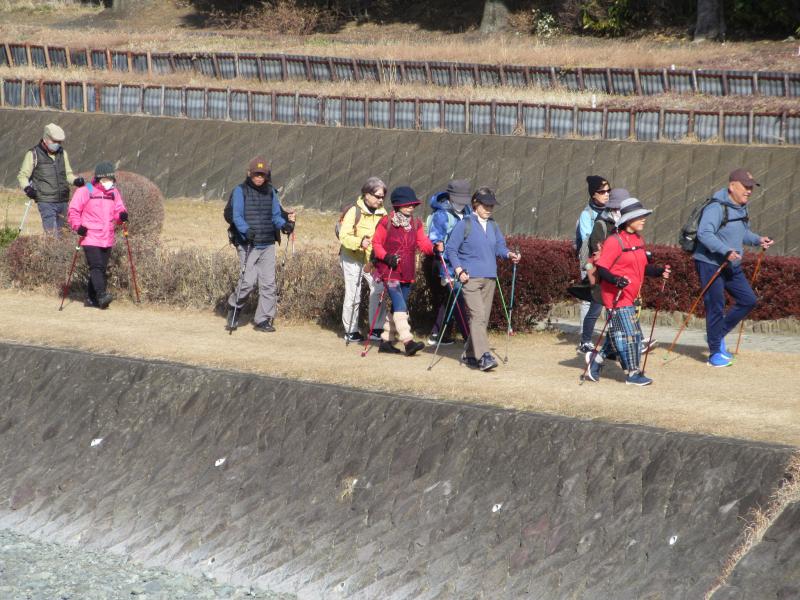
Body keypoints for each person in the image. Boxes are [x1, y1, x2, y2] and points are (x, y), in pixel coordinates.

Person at [693, 169, 773, 367]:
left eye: (751, 187)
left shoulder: (742, 208)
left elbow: (742, 233)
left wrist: (758, 239)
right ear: (732, 186)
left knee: (748, 300)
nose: (749, 191)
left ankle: (716, 335)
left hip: (731, 263)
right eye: (745, 187)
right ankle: (714, 354)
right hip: (710, 263)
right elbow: (704, 233)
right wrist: (725, 250)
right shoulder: (716, 207)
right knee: (716, 306)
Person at [587, 198, 671, 386]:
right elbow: (602, 268)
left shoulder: (638, 239)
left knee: (616, 334)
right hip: (615, 296)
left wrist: (659, 271)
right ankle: (633, 373)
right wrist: (616, 280)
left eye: (643, 216)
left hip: (630, 295)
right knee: (633, 335)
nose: (643, 219)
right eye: (639, 216)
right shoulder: (614, 241)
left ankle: (596, 361)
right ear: (628, 220)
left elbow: (642, 267)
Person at [445, 188, 521, 372]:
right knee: (478, 316)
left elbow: (499, 247)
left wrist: (509, 254)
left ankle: (470, 354)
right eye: (486, 205)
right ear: (475, 204)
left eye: (491, 205)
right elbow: (451, 249)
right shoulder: (465, 224)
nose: (489, 209)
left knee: (482, 319)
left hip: (490, 277)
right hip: (469, 278)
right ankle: (484, 356)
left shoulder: (493, 225)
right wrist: (458, 270)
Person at [226, 156, 296, 333]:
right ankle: (234, 307)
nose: (259, 177)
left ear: (266, 176)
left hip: (267, 243)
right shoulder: (240, 191)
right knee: (248, 282)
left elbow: (275, 216)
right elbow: (236, 216)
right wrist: (245, 230)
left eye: (262, 174)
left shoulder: (271, 191)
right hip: (247, 243)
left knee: (268, 284)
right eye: (256, 174)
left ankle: (263, 319)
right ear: (249, 173)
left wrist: (285, 226)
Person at [371, 186, 435, 356]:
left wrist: (434, 249)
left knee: (398, 307)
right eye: (407, 204)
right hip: (389, 270)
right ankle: (408, 341)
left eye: (413, 204)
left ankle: (386, 342)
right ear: (397, 205)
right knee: (400, 304)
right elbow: (376, 244)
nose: (411, 207)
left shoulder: (416, 223)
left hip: (407, 271)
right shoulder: (386, 222)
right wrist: (386, 257)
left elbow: (423, 243)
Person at [67, 162, 127, 309]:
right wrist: (78, 227)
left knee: (101, 269)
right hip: (90, 235)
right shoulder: (86, 190)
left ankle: (91, 299)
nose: (108, 182)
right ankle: (101, 295)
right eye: (105, 179)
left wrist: (122, 216)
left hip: (107, 236)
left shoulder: (114, 192)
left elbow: (119, 210)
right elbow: (73, 211)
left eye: (110, 179)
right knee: (96, 266)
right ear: (98, 178)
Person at [338, 177, 389, 343]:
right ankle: (351, 330)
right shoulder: (354, 211)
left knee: (378, 290)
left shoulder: (383, 214)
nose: (380, 200)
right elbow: (344, 236)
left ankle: (376, 328)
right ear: (367, 194)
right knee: (354, 294)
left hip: (372, 260)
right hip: (351, 258)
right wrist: (359, 242)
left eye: (383, 197)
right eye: (378, 196)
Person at [424, 179, 472, 346]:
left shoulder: (468, 211)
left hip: (464, 261)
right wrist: (438, 244)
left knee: (450, 299)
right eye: (459, 199)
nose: (462, 203)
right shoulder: (441, 214)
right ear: (451, 197)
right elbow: (434, 238)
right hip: (446, 263)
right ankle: (468, 337)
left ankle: (437, 334)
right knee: (457, 297)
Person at [17, 123, 84, 236]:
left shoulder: (63, 153)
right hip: (46, 201)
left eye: (59, 142)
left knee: (64, 235)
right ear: (45, 139)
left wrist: (76, 181)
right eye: (54, 141)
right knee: (52, 235)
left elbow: (68, 174)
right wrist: (28, 189)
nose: (57, 144)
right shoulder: (33, 154)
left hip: (63, 200)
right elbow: (22, 176)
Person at [574, 175, 610, 354]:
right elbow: (589, 240)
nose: (606, 194)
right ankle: (585, 338)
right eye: (602, 191)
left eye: (608, 191)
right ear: (593, 194)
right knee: (590, 300)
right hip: (590, 263)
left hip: (607, 261)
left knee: (607, 300)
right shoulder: (586, 214)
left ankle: (611, 337)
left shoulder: (611, 212)